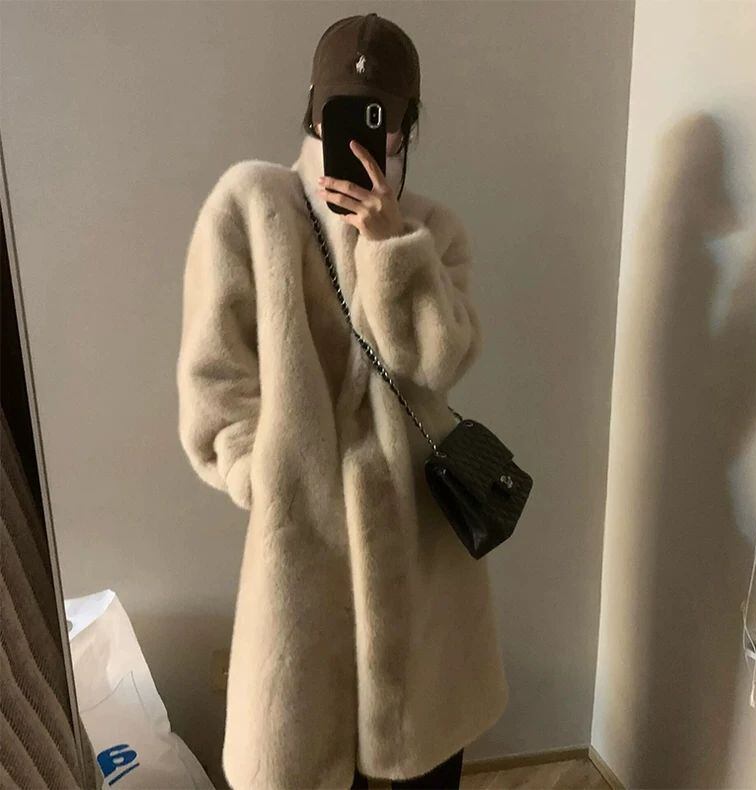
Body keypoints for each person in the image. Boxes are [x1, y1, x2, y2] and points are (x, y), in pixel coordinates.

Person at [176, 12, 509, 790]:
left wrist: (392, 246)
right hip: (306, 544)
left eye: (380, 120)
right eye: (341, 114)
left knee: (430, 756)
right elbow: (215, 376)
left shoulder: (434, 231)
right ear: (314, 110)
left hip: (421, 539)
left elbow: (440, 360)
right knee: (310, 754)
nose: (359, 137)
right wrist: (265, 477)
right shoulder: (250, 204)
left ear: (406, 125)